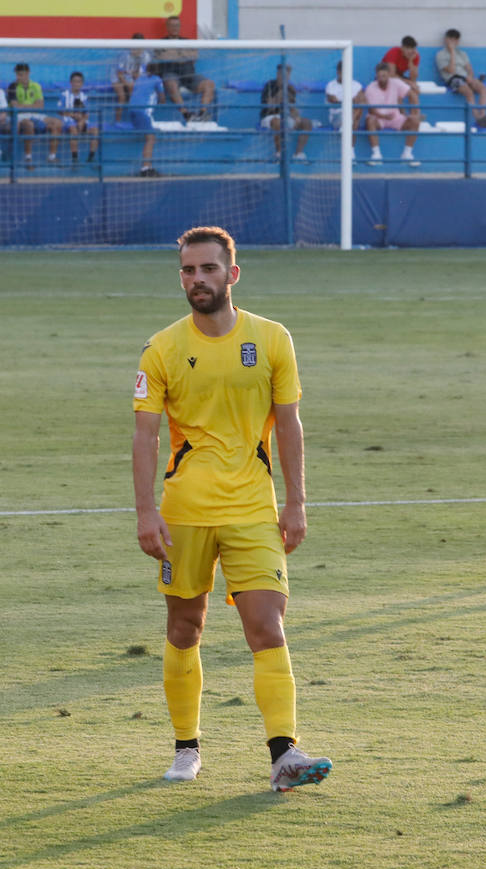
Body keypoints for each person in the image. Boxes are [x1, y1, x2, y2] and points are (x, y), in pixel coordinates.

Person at [132, 225, 332, 793]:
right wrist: (146, 512)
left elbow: (289, 425)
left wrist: (296, 502)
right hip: (185, 512)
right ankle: (186, 747)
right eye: (188, 270)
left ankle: (284, 754)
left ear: (232, 274)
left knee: (267, 625)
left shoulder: (271, 339)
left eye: (208, 269)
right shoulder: (162, 348)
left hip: (253, 509)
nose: (197, 279)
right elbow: (145, 435)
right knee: (184, 627)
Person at [150, 14, 215, 122]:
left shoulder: (187, 41)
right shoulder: (161, 43)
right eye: (172, 25)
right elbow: (162, 57)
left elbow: (194, 56)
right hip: (171, 74)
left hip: (189, 75)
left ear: (180, 27)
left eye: (177, 25)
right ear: (167, 27)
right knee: (170, 83)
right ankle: (186, 114)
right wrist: (183, 54)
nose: (175, 28)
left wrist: (173, 54)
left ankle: (202, 113)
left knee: (209, 84)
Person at [363, 61, 421, 167]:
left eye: (384, 76)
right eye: (379, 76)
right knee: (370, 120)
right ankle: (376, 155)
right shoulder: (370, 87)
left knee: (415, 120)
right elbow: (371, 110)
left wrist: (415, 112)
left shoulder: (396, 82)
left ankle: (407, 154)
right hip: (379, 118)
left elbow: (412, 94)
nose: (381, 78)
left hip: (395, 118)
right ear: (376, 76)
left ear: (389, 75)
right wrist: (384, 116)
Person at [436, 28, 486, 127]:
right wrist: (452, 53)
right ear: (446, 39)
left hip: (465, 77)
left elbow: (469, 68)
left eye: (455, 40)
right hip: (453, 78)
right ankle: (477, 117)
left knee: (484, 89)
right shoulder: (440, 55)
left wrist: (470, 77)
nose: (453, 42)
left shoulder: (462, 54)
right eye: (450, 39)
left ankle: (483, 115)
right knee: (468, 92)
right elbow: (451, 70)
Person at [259, 63, 312, 161]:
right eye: (282, 74)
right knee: (278, 122)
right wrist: (281, 89)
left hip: (284, 117)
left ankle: (298, 154)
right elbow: (270, 107)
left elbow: (292, 108)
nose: (285, 76)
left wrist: (296, 117)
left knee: (307, 123)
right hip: (269, 117)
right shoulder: (269, 85)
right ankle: (279, 154)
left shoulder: (290, 88)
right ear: (278, 74)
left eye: (287, 74)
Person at [48, 70, 98, 164]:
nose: (76, 84)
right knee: (73, 128)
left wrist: (82, 121)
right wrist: (72, 115)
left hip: (81, 121)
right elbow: (59, 110)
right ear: (71, 83)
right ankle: (75, 159)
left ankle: (91, 157)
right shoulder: (64, 95)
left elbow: (86, 114)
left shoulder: (84, 97)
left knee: (95, 130)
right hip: (68, 121)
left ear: (82, 83)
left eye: (79, 82)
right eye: (75, 81)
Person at [8, 62, 46, 170]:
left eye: (21, 74)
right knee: (28, 125)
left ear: (28, 73)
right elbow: (15, 107)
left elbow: (40, 106)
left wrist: (23, 106)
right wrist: (32, 106)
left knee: (56, 123)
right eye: (17, 74)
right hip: (19, 116)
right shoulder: (12, 86)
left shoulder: (36, 86)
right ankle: (27, 158)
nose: (18, 77)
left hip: (34, 114)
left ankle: (52, 157)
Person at [111, 35, 151, 121]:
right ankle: (117, 121)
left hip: (130, 76)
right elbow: (119, 74)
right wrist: (127, 84)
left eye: (140, 47)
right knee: (122, 97)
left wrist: (135, 81)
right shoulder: (124, 55)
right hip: (117, 76)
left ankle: (135, 119)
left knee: (134, 93)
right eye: (136, 46)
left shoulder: (145, 56)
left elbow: (141, 73)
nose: (138, 49)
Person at [325, 59, 364, 131]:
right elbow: (334, 100)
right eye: (342, 72)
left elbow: (361, 102)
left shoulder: (357, 86)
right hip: (337, 116)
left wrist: (346, 101)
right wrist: (351, 101)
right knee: (353, 121)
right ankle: (349, 124)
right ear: (338, 72)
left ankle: (349, 125)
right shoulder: (331, 85)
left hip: (353, 115)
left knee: (357, 113)